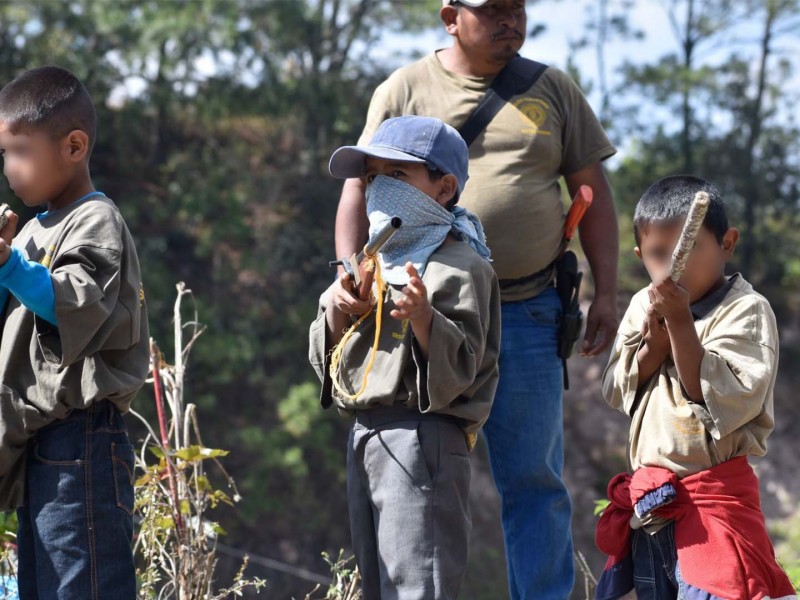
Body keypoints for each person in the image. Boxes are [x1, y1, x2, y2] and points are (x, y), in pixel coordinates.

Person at [333, 1, 619, 596]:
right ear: (450, 16)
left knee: (534, 482)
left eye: (517, 8)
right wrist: (349, 270)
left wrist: (608, 293)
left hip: (528, 311)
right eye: (492, 10)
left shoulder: (554, 89)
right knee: (412, 468)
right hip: (419, 314)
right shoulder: (404, 88)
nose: (509, 20)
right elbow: (356, 191)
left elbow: (593, 193)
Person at [309, 115, 501, 599]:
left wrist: (423, 318)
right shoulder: (371, 263)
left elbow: (463, 370)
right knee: (378, 587)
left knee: (419, 585)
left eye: (398, 176)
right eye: (373, 177)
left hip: (424, 438)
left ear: (445, 187)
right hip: (366, 434)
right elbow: (330, 366)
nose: (380, 190)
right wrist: (336, 305)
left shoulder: (462, 264)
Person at [597, 175, 796, 600]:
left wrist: (682, 323)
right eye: (658, 255)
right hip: (652, 508)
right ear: (639, 256)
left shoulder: (746, 309)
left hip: (714, 506)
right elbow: (616, 389)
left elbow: (724, 398)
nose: (672, 268)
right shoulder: (640, 305)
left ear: (727, 243)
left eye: (687, 251)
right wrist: (656, 339)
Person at [0, 65, 149, 599]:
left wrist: (11, 267)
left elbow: (67, 303)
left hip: (81, 440)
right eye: (4, 154)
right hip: (39, 445)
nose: (9, 168)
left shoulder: (95, 220)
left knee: (81, 587)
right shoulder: (31, 231)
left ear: (74, 145)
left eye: (20, 151)